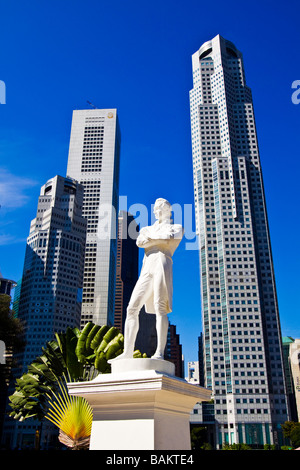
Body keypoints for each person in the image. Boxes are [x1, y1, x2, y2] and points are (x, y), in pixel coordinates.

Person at [115, 198, 184, 361]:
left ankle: (159, 352)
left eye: (160, 209)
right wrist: (159, 238)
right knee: (132, 308)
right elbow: (140, 242)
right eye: (155, 209)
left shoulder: (177, 227)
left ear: (168, 209)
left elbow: (169, 238)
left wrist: (153, 239)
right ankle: (127, 352)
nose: (156, 212)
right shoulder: (146, 229)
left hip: (162, 261)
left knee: (161, 307)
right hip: (147, 266)